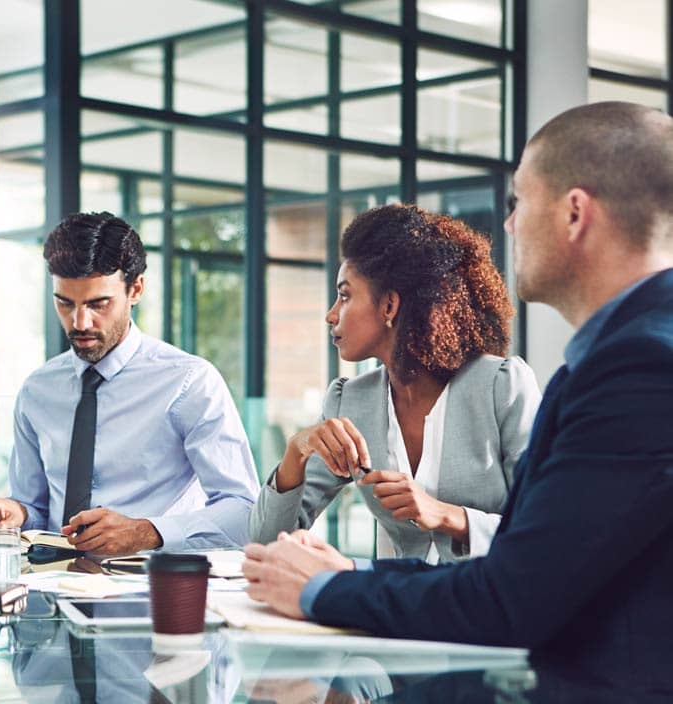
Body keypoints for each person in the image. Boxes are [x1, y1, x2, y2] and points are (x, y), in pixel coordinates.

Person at [242, 102, 673, 692]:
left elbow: (514, 592)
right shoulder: (610, 360)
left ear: (575, 213)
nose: (511, 225)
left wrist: (329, 586)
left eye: (518, 201)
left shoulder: (638, 366)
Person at [0, 212, 259, 555]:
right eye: (65, 303)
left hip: (146, 586)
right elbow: (36, 509)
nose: (80, 322)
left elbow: (244, 511)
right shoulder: (38, 390)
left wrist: (147, 531)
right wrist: (18, 513)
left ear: (135, 289)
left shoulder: (189, 382)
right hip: (52, 583)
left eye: (98, 304)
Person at [249, 204, 541, 562]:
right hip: (402, 606)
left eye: (345, 295)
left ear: (389, 306)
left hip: (498, 602)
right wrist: (296, 451)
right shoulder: (350, 401)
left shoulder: (501, 387)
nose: (331, 315)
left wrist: (448, 515)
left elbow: (546, 529)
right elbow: (265, 542)